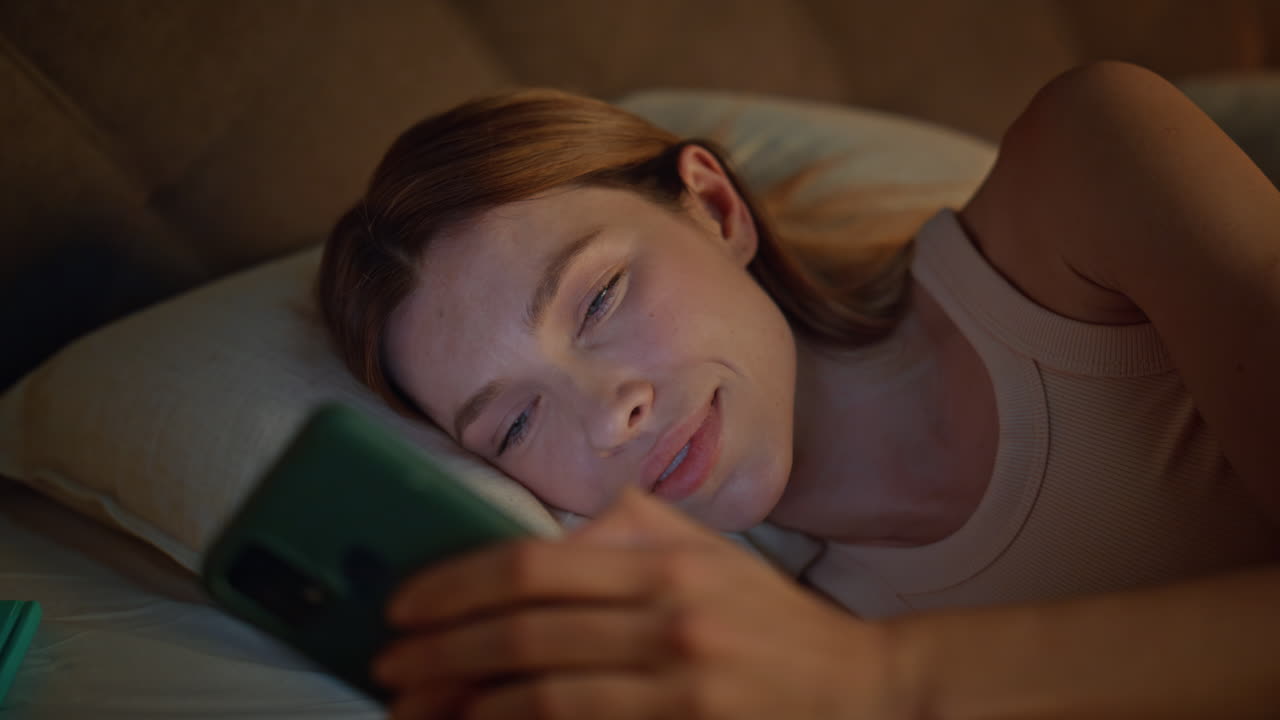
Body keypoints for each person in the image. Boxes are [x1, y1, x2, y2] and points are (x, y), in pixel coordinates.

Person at [317, 61, 1280, 719]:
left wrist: (884, 684)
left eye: (600, 296)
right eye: (517, 424)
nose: (610, 412)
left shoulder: (1092, 160)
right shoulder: (769, 665)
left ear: (717, 209)